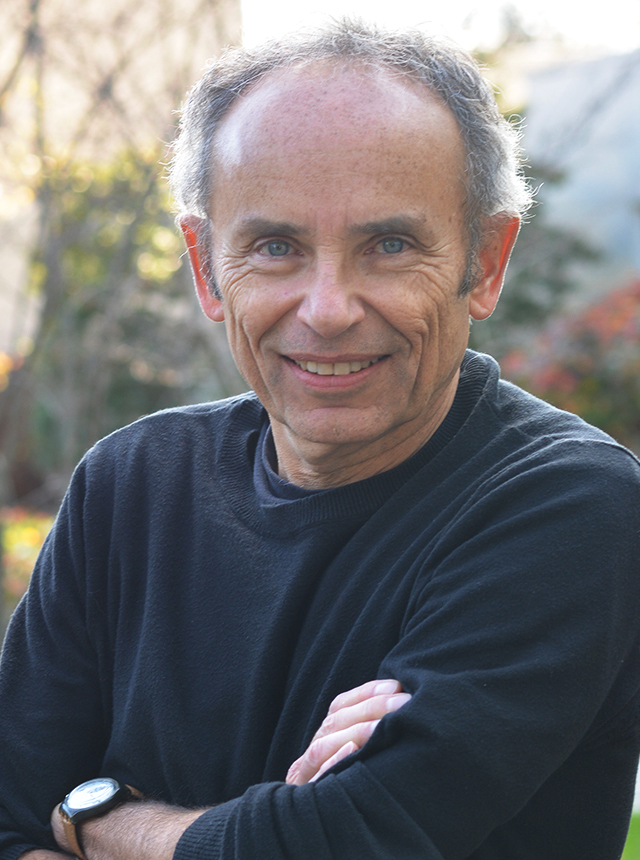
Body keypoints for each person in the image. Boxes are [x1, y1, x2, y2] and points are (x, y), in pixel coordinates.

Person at [1, 18, 640, 860]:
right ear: (205, 268)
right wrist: (258, 832)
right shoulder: (129, 484)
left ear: (484, 262)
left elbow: (341, 844)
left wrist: (97, 819)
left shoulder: (567, 507)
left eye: (389, 244)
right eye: (275, 247)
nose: (329, 308)